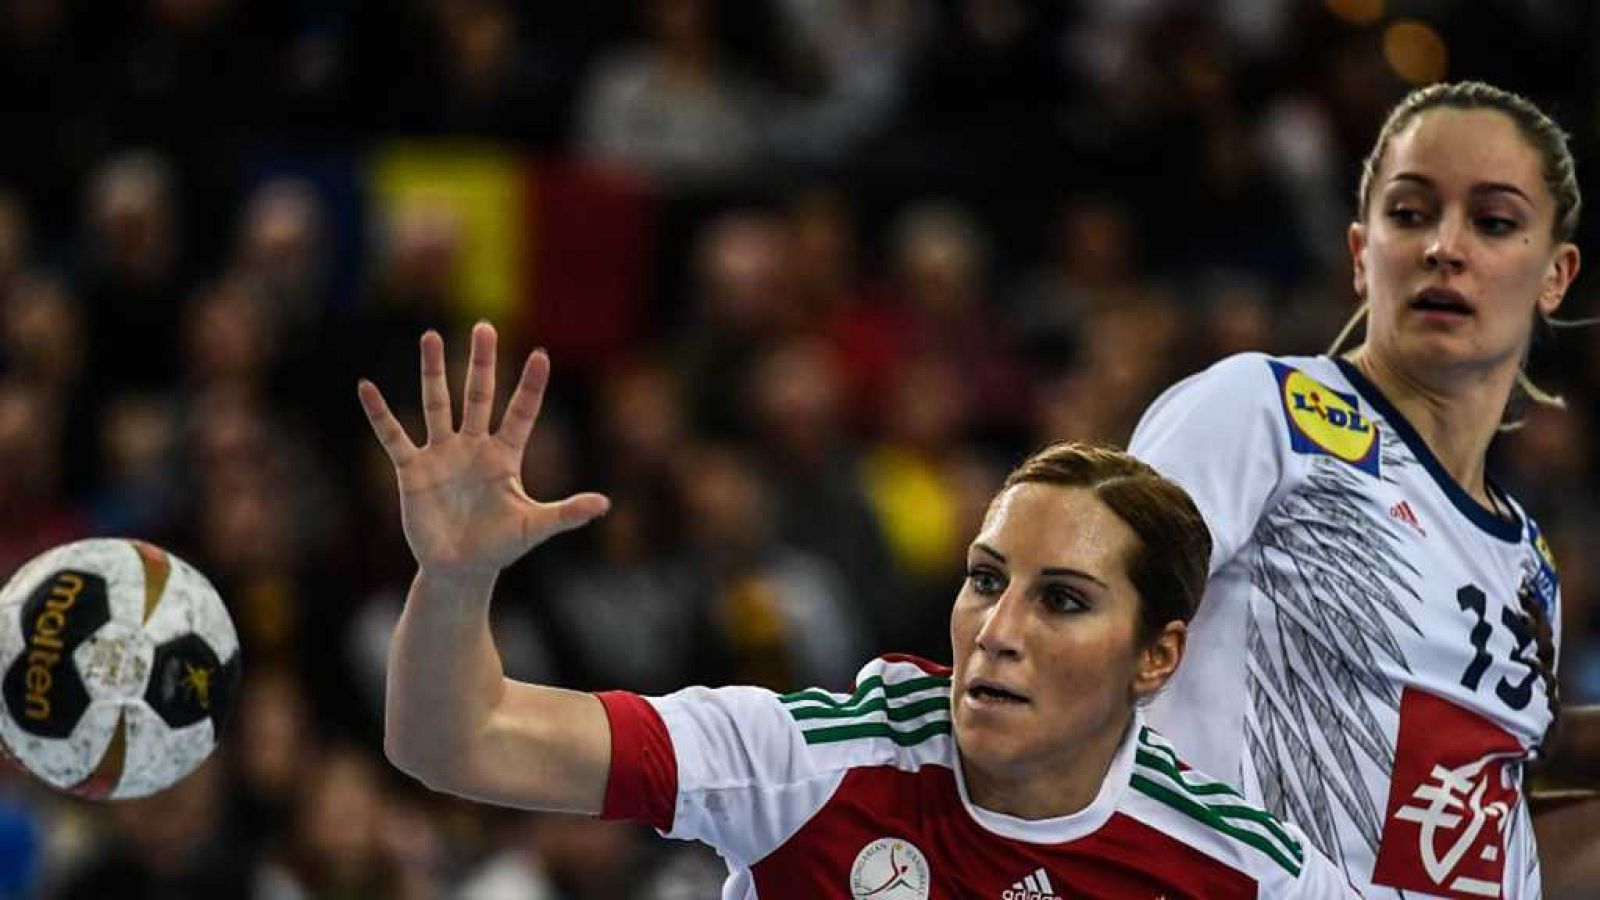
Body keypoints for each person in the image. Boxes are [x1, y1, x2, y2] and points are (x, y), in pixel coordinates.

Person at [358, 322, 1356, 897]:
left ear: (1155, 655)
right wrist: (453, 579)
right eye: (984, 578)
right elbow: (458, 741)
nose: (999, 631)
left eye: (1062, 600)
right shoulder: (819, 762)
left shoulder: (1238, 869)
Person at [1129, 80, 1599, 897]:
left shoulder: (1529, 561)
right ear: (1359, 254)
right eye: (1410, 214)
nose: (1444, 248)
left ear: (1555, 275)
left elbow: (1460, 818)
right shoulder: (1260, 414)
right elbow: (1066, 632)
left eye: (1493, 222)